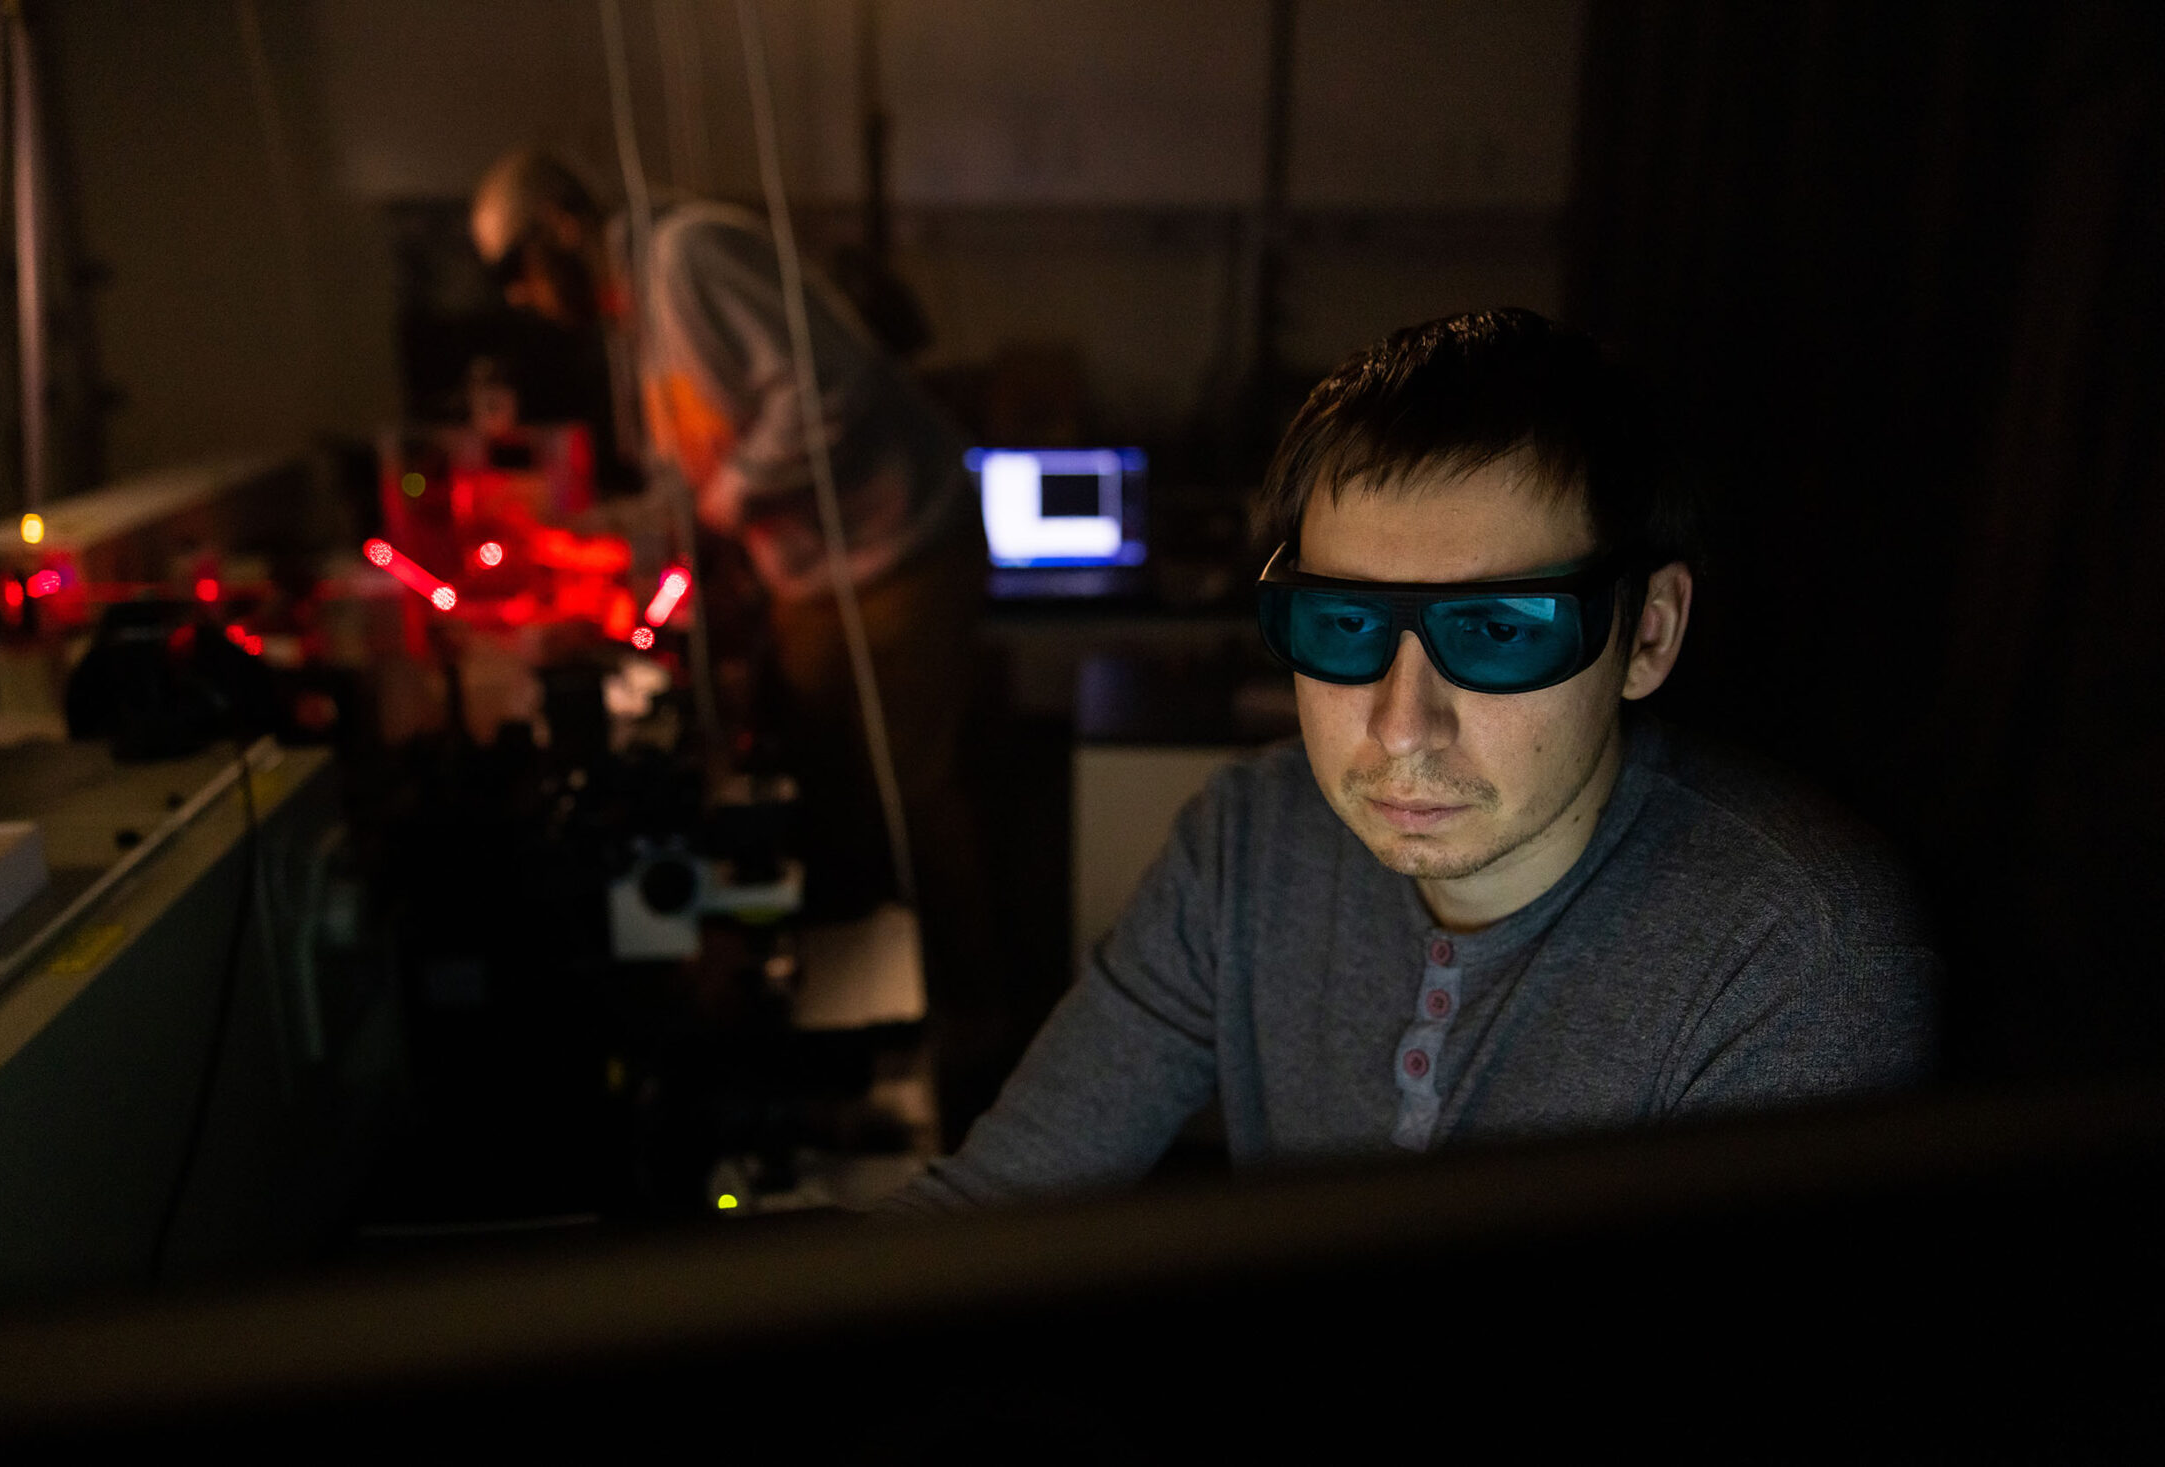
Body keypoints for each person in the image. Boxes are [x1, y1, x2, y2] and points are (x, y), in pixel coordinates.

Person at [888, 307, 1938, 1212]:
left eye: (1498, 630)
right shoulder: (1249, 845)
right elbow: (1001, 1199)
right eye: (1343, 623)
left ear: (1648, 635)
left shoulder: (1796, 960)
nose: (1401, 727)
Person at [469, 150, 1000, 1125]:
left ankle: (974, 1030)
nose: (522, 297)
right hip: (816, 575)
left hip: (897, 550)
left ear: (560, 221)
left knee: (903, 785)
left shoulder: (687, 257)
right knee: (821, 781)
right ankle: (852, 1011)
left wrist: (718, 503)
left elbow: (825, 394)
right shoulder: (636, 314)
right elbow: (699, 448)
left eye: (518, 268)